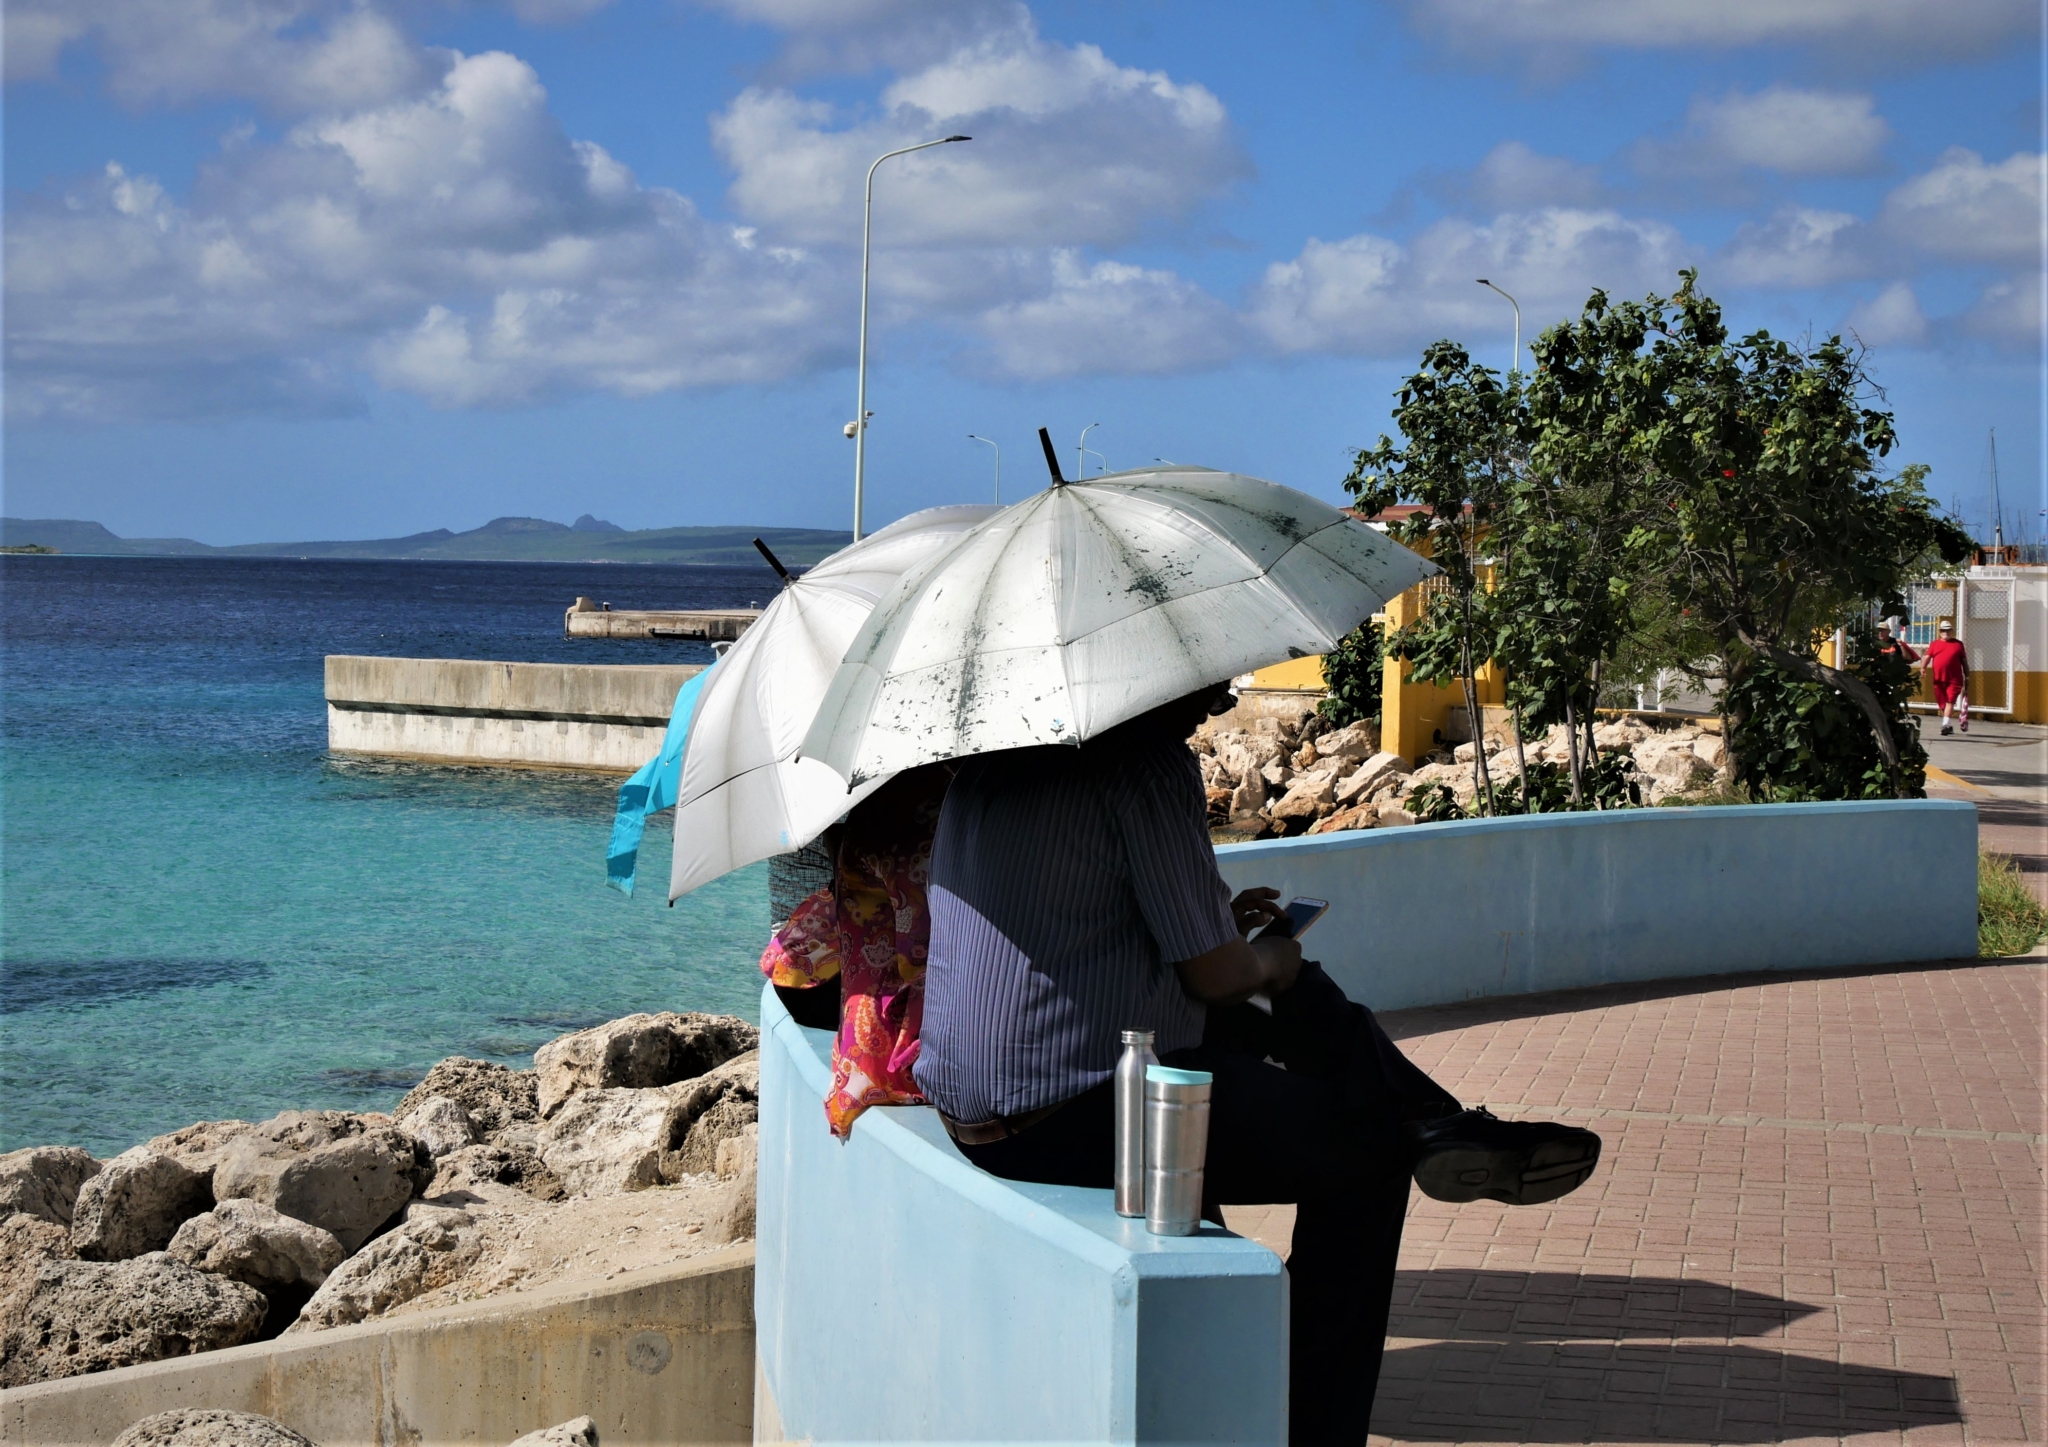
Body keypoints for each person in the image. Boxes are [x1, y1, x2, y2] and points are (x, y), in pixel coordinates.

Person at [913, 683, 1601, 1445]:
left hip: (976, 1108)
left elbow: (1090, 932)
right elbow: (1215, 978)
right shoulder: (1142, 762)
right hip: (1087, 1103)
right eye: (1210, 681)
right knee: (1368, 1153)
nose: (1218, 701)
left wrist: (1229, 935)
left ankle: (1437, 1120)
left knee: (1288, 1006)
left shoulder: (984, 766)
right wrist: (1265, 958)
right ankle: (1311, 1424)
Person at [759, 763, 951, 1135]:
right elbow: (918, 962)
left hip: (817, 994)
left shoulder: (866, 805)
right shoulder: (928, 810)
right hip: (875, 1041)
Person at [1921, 617, 1969, 735]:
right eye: (1943, 630)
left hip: (1955, 679)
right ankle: (1948, 724)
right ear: (1939, 632)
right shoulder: (1934, 644)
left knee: (1950, 701)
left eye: (1948, 630)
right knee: (1942, 703)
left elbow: (1964, 661)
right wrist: (1923, 668)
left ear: (1951, 631)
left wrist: (1967, 676)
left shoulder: (1958, 644)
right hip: (1939, 679)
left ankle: (1945, 725)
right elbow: (1927, 657)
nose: (1945, 632)